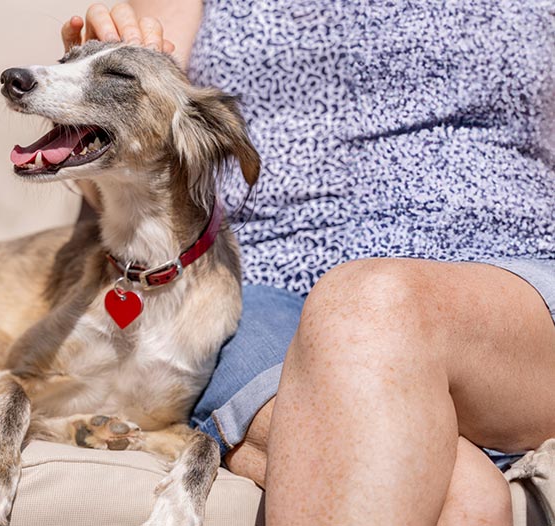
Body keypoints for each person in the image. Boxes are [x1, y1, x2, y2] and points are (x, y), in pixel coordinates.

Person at [58, 1, 555, 524]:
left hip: (512, 289)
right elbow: (137, 161)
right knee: (462, 497)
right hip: (259, 296)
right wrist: (89, 120)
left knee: (370, 304)